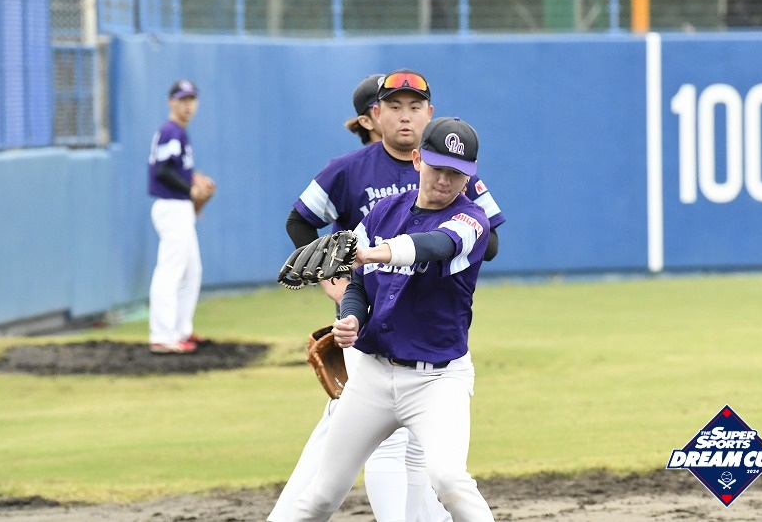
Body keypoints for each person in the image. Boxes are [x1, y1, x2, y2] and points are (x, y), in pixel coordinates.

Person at [272, 70, 505, 521]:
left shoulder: (471, 220)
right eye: (437, 167)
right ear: (418, 160)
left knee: (449, 481)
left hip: (437, 381)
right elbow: (359, 283)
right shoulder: (383, 210)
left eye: (457, 174)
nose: (445, 180)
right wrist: (351, 315)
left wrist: (370, 252)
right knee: (322, 494)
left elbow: (433, 246)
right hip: (373, 377)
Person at [147, 79, 214, 354]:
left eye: (191, 99)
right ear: (170, 102)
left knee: (191, 270)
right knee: (171, 271)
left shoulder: (177, 132)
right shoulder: (170, 131)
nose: (188, 105)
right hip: (171, 206)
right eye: (182, 99)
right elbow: (161, 170)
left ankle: (180, 331)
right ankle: (163, 335)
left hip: (179, 207)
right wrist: (190, 188)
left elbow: (172, 167)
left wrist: (192, 178)